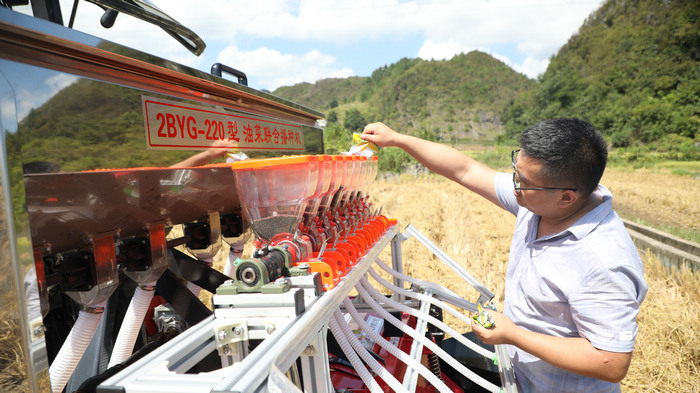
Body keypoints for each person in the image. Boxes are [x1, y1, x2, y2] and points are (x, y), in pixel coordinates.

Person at [361, 118, 647, 393]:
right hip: (515, 367)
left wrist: (514, 335)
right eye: (516, 170)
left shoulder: (604, 262)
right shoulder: (541, 201)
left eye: (523, 181)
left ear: (566, 197)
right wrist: (397, 139)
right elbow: (465, 170)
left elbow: (610, 361)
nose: (514, 186)